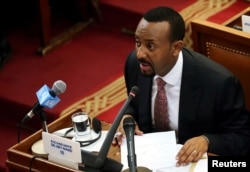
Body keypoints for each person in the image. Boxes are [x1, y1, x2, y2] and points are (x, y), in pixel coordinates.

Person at [113, 6, 250, 167]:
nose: (140, 53)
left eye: (150, 46)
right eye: (138, 43)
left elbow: (243, 138)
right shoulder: (135, 64)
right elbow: (133, 103)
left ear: (176, 48)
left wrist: (207, 141)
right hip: (149, 160)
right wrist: (127, 117)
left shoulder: (218, 83)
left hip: (194, 164)